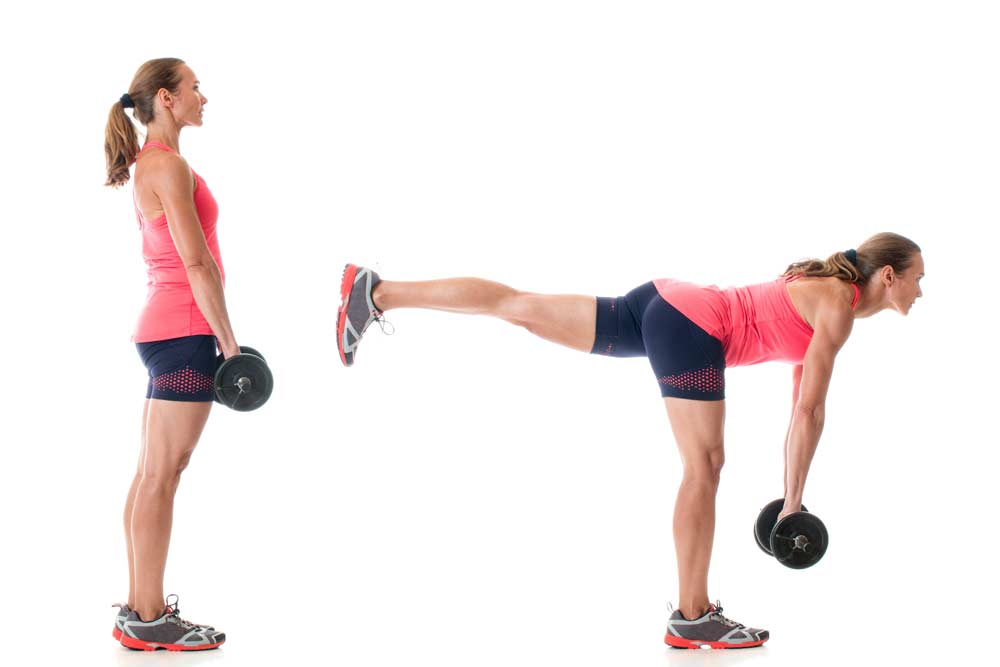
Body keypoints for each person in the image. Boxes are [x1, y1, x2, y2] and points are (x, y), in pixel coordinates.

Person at [335, 233, 924, 649]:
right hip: (695, 327)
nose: (921, 291)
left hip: (666, 303)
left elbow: (802, 409)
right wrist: (791, 504)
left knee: (520, 307)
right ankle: (693, 616)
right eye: (918, 277)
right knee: (706, 465)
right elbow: (811, 410)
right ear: (889, 274)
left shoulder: (826, 291)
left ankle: (377, 292)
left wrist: (792, 498)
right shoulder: (839, 307)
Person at [104, 57, 233, 651]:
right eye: (195, 88)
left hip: (163, 331)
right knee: (161, 476)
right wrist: (229, 345)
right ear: (167, 98)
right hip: (183, 332)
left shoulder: (149, 165)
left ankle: (139, 611)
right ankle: (149, 617)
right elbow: (196, 262)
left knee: (152, 473)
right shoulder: (168, 166)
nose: (203, 96)